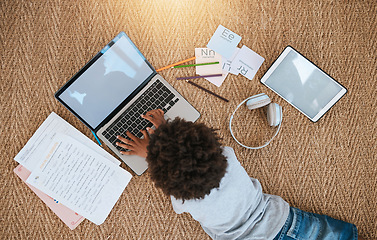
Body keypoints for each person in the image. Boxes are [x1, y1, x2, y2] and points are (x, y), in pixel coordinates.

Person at [116, 109, 359, 240]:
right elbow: (190, 150)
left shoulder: (182, 201)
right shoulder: (228, 156)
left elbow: (174, 170)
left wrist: (149, 153)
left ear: (165, 181)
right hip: (286, 220)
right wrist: (165, 127)